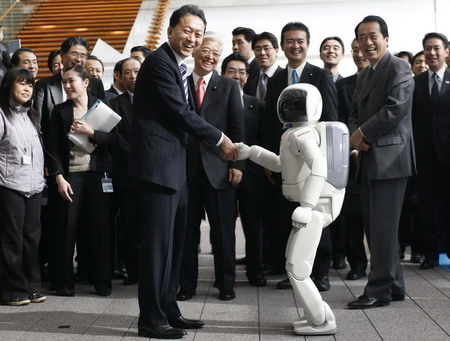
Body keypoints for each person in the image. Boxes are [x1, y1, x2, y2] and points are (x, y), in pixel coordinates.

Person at [128, 4, 237, 340]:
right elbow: (179, 111)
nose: (193, 38)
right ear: (170, 30)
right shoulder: (159, 64)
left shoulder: (178, 66)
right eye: (187, 30)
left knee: (175, 247)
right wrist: (219, 138)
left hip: (177, 169)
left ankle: (169, 310)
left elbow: (187, 113)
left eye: (198, 33)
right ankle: (150, 318)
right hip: (159, 169)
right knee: (158, 248)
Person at [235, 83, 348, 335]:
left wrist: (307, 206)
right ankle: (316, 314)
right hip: (310, 207)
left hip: (315, 207)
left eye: (295, 103)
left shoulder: (302, 134)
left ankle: (321, 321)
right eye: (288, 103)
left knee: (297, 269)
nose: (290, 107)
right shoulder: (292, 134)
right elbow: (279, 164)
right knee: (294, 265)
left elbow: (319, 166)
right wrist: (251, 151)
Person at [262, 21, 338, 291]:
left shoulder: (321, 76)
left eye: (300, 41)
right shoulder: (276, 81)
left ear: (307, 44)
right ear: (283, 46)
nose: (295, 45)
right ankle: (294, 270)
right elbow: (270, 122)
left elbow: (329, 119)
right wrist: (272, 159)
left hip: (313, 158)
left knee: (316, 216)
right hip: (287, 160)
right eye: (290, 41)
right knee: (289, 216)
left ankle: (321, 273)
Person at [347, 15, 415, 309]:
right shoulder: (364, 73)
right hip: (369, 157)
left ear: (386, 39)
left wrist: (363, 134)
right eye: (362, 37)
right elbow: (353, 112)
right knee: (377, 227)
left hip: (390, 159)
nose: (367, 42)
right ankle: (395, 284)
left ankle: (378, 290)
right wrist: (354, 135)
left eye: (373, 35)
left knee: (383, 227)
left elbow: (396, 108)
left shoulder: (398, 66)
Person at [177, 34, 244, 302]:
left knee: (223, 233)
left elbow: (238, 129)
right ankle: (186, 286)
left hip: (220, 170)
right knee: (186, 233)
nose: (210, 56)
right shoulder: (180, 84)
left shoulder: (228, 86)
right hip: (186, 172)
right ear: (194, 52)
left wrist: (237, 164)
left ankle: (226, 285)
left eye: (216, 53)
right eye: (206, 51)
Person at [47, 65, 115, 297]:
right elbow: (53, 146)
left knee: (100, 228)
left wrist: (92, 133)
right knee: (66, 228)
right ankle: (64, 282)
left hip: (98, 175)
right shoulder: (60, 111)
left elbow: (115, 139)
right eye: (64, 82)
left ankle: (102, 281)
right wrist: (58, 177)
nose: (67, 86)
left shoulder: (103, 106)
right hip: (71, 176)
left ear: (85, 82)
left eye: (71, 81)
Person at [0, 68, 46, 306]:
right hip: (9, 186)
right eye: (22, 84)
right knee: (12, 240)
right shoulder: (1, 115)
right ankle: (12, 289)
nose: (28, 89)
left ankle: (32, 287)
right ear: (9, 86)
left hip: (34, 187)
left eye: (30, 84)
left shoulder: (31, 115)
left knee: (31, 239)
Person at [221, 52, 267, 287]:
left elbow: (262, 140)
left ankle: (255, 270)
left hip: (253, 174)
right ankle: (226, 274)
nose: (237, 76)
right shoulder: (214, 103)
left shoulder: (257, 105)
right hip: (221, 173)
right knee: (225, 227)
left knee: (254, 226)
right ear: (222, 74)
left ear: (247, 76)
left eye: (241, 72)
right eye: (231, 71)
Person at [412, 32, 450, 269]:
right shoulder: (414, 82)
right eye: (428, 48)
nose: (432, 52)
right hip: (424, 154)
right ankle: (430, 253)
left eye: (436, 48)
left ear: (447, 51)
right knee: (426, 204)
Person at [335, 38, 370, 280]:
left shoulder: (385, 81)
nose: (359, 54)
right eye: (355, 50)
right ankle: (357, 263)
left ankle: (384, 265)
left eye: (362, 50)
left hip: (380, 155)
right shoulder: (343, 85)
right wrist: (353, 145)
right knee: (354, 215)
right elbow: (340, 119)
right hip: (352, 157)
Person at [108, 57, 142, 285]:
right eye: (127, 72)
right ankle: (135, 271)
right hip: (128, 174)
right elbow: (115, 138)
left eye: (137, 71)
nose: (133, 76)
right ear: (119, 76)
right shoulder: (114, 105)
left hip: (154, 173)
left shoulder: (155, 100)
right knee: (130, 226)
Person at [243, 32, 282, 100]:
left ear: (276, 50)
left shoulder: (285, 77)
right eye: (258, 49)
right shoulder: (251, 82)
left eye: (266, 48)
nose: (262, 53)